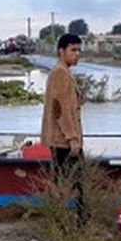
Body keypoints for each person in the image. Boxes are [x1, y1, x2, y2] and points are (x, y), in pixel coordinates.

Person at [40, 33, 84, 221]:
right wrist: (72, 138)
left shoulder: (63, 71)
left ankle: (63, 221)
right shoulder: (60, 73)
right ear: (61, 51)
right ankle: (72, 223)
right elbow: (62, 109)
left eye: (78, 50)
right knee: (76, 184)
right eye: (73, 50)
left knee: (65, 182)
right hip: (64, 141)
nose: (77, 54)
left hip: (63, 139)